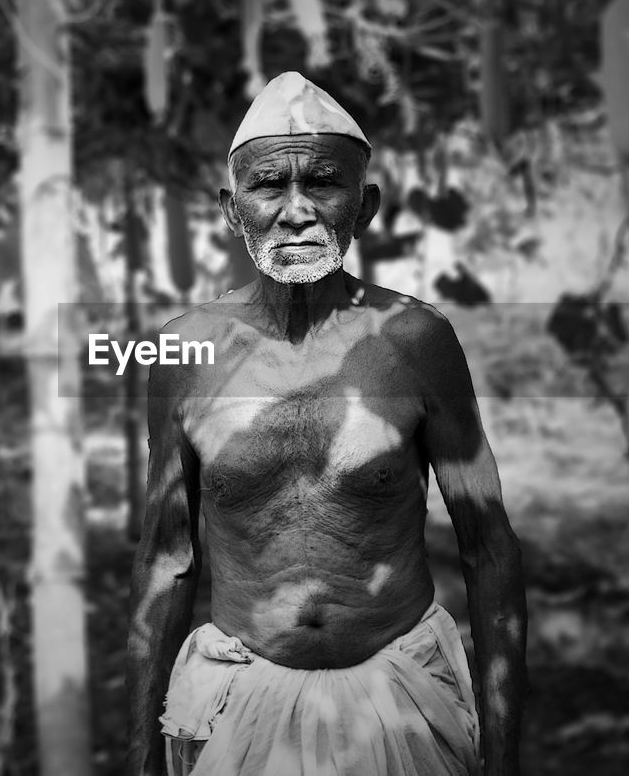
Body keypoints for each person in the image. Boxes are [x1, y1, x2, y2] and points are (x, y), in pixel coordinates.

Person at [127, 72, 527, 776]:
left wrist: (503, 757)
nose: (296, 210)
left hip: (396, 696)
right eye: (268, 186)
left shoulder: (415, 341)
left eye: (323, 182)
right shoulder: (184, 352)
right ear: (232, 208)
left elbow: (489, 549)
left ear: (364, 204)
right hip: (237, 703)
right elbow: (166, 557)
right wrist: (140, 761)